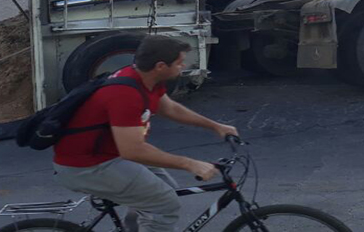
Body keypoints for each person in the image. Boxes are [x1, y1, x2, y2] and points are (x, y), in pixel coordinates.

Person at [53, 36, 238, 232]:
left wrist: (215, 126)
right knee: (164, 203)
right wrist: (190, 164)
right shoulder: (125, 94)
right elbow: (133, 151)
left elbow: (171, 109)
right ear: (160, 66)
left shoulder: (145, 80)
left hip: (107, 156)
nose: (183, 66)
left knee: (165, 187)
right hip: (86, 167)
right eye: (179, 62)